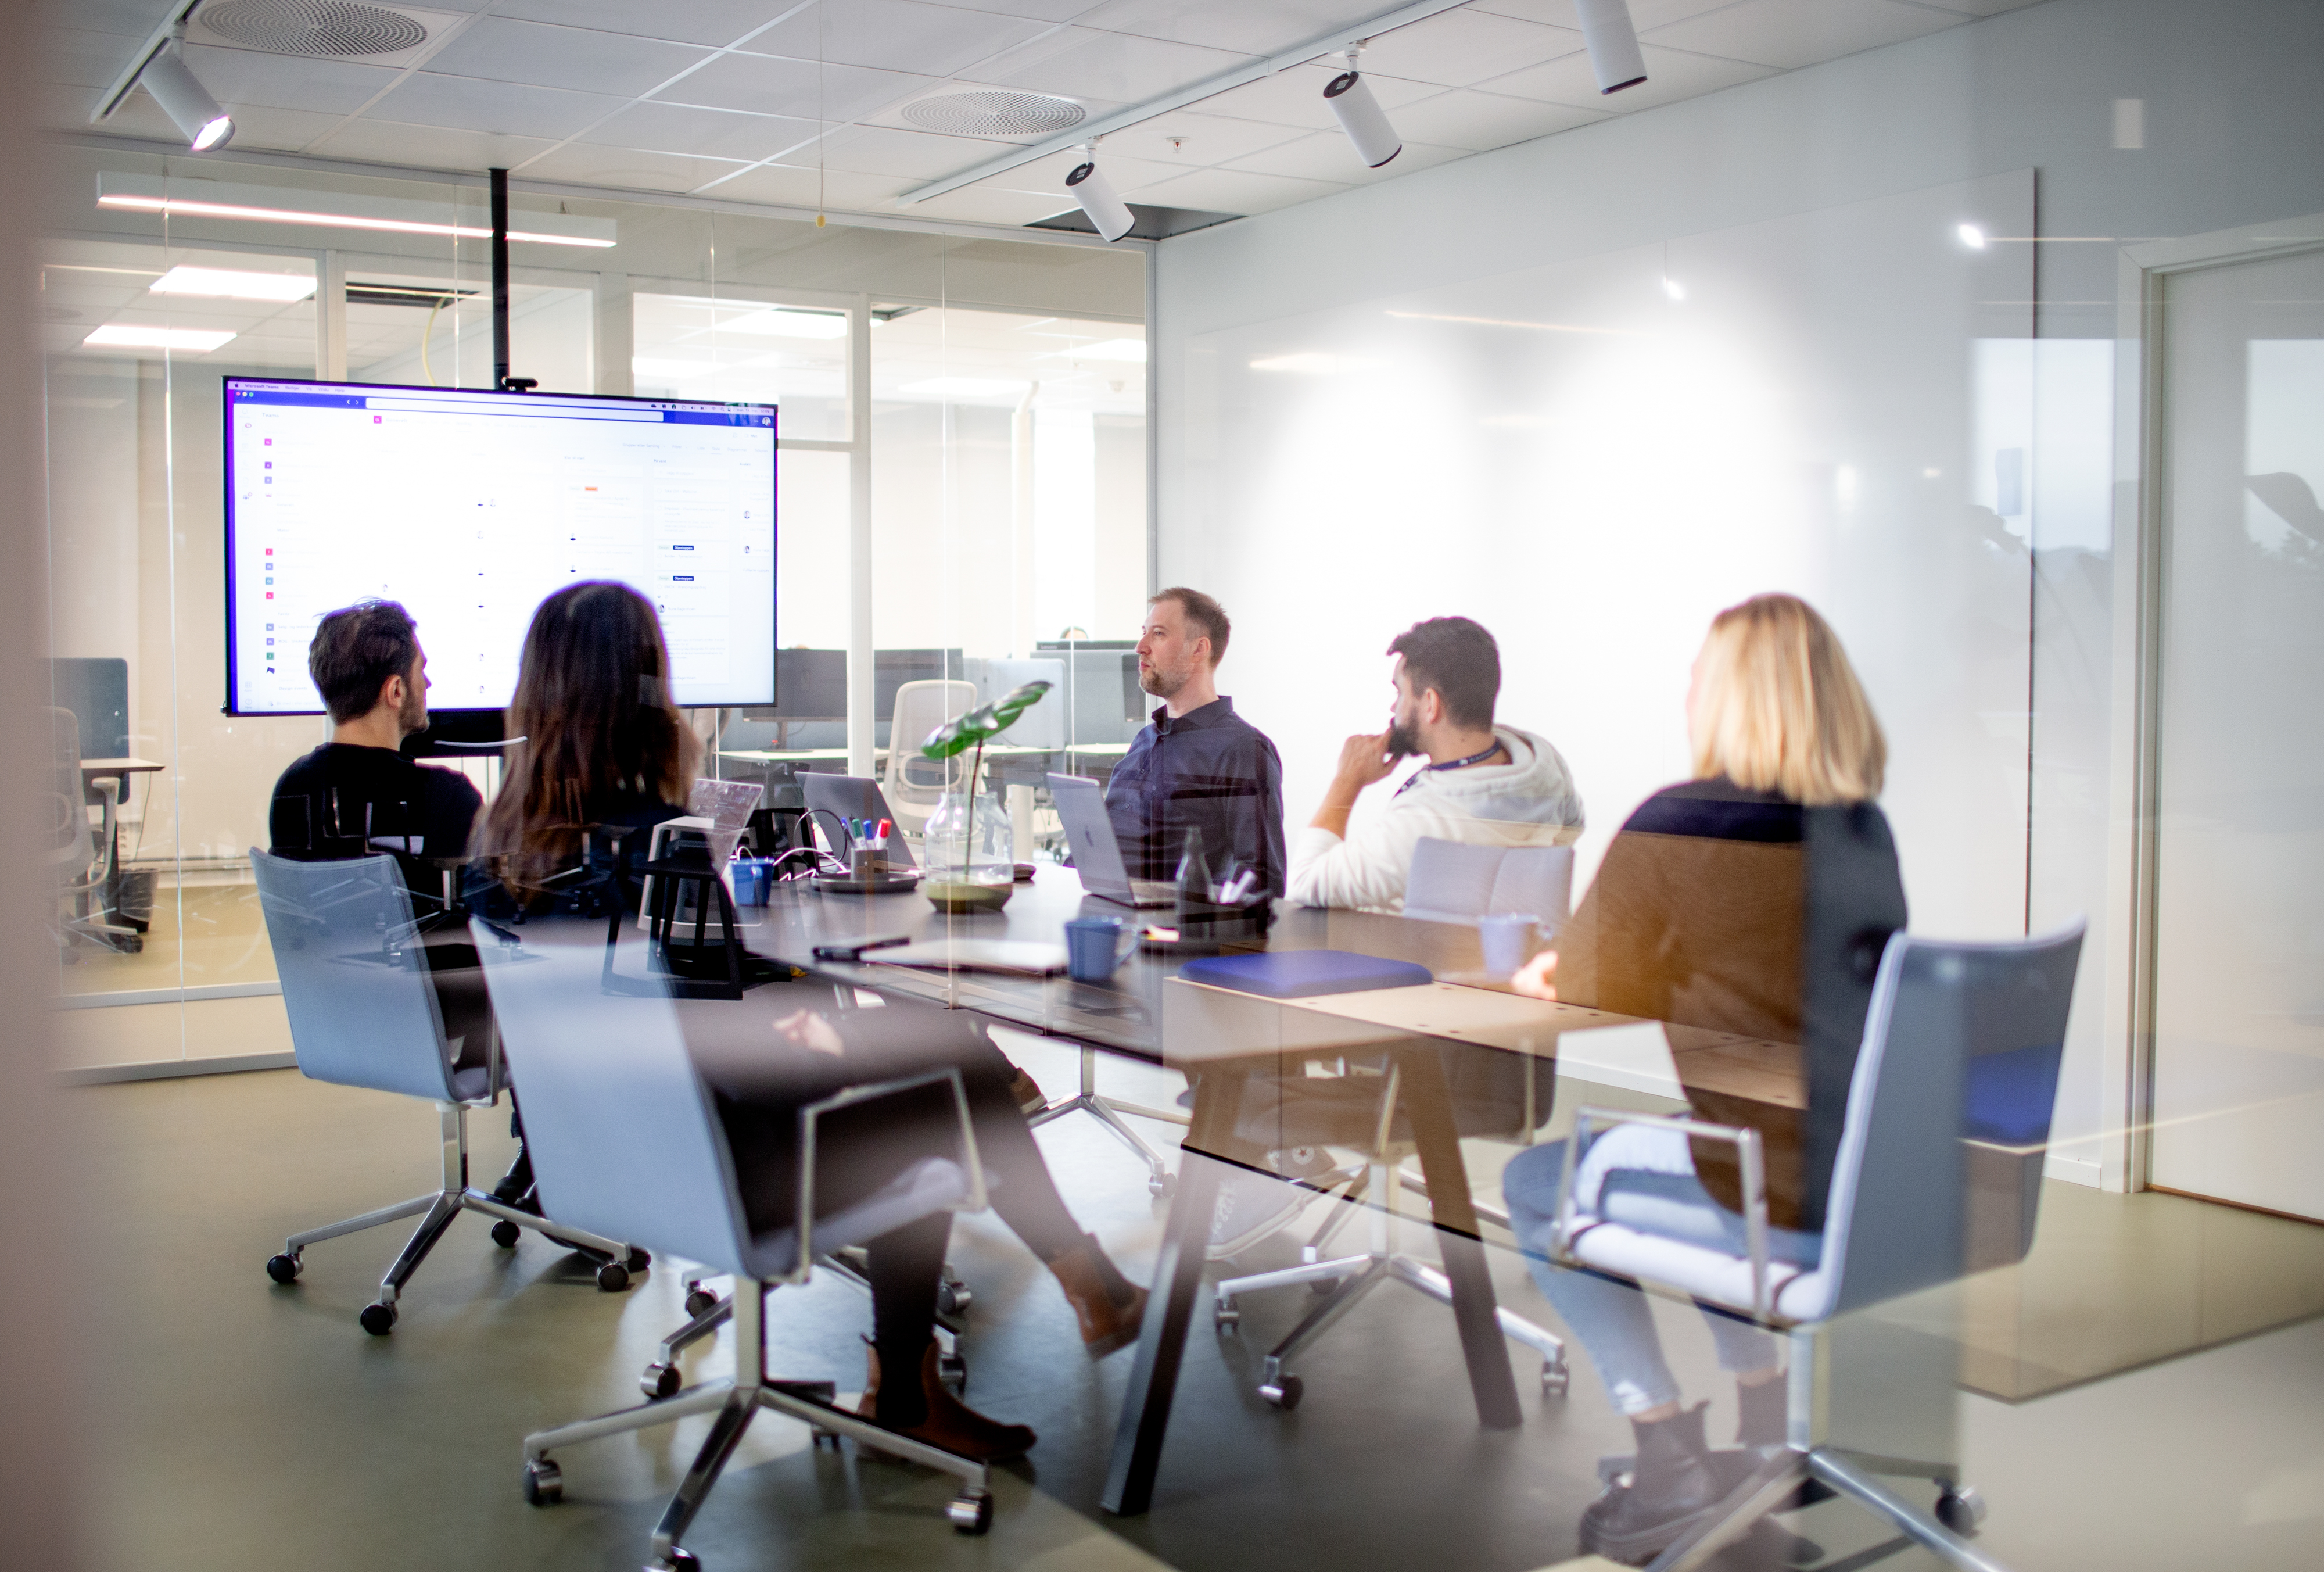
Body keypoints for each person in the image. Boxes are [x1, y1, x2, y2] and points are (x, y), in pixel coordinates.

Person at [473, 582, 1148, 1460]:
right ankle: (933, 1371)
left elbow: (671, 1019)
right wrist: (821, 1033)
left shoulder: (501, 841)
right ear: (641, 694)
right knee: (939, 1087)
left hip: (603, 1161)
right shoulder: (657, 844)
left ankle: (1064, 1291)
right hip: (719, 1169)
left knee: (936, 1061)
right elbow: (734, 1055)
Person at [1498, 593, 1907, 1567]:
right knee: (1698, 1134)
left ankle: (1670, 1452)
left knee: (1531, 1184)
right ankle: (1767, 1428)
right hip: (1884, 1180)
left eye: (1696, 676)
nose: (1685, 690)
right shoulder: (1861, 828)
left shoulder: (1684, 822)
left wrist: (1547, 968)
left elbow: (1589, 981)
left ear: (1727, 698)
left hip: (1782, 1190)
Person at [1288, 615, 1584, 914]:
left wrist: (1347, 780)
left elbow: (1305, 882)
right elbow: (1572, 828)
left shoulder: (1421, 825)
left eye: (1400, 692)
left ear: (1430, 704)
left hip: (1399, 955)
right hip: (1506, 948)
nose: (1394, 707)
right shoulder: (1545, 765)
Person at [268, 599, 481, 900]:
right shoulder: (447, 797)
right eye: (421, 671)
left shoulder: (290, 788)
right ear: (396, 691)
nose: (428, 683)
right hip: (423, 948)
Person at [1105, 588, 1286, 898]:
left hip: (1183, 932)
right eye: (1144, 633)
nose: (1140, 647)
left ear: (1199, 649)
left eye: (1158, 634)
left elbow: (1261, 878)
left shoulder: (1243, 748)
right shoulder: (1145, 741)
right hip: (1115, 916)